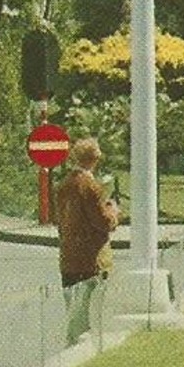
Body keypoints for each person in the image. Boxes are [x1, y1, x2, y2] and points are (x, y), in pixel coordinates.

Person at [56, 138, 119, 345]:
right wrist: (113, 211)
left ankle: (72, 346)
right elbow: (102, 221)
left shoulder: (65, 184)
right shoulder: (90, 186)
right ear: (94, 159)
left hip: (69, 257)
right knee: (90, 315)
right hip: (91, 258)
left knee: (74, 313)